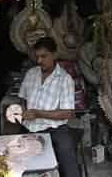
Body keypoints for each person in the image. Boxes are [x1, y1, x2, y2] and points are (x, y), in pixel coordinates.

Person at [18, 37, 81, 177]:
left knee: (68, 158)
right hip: (29, 127)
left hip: (55, 129)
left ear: (55, 55)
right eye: (37, 57)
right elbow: (22, 98)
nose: (39, 60)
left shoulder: (65, 79)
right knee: (20, 160)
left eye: (44, 56)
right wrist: (22, 109)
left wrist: (38, 113)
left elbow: (68, 113)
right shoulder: (31, 73)